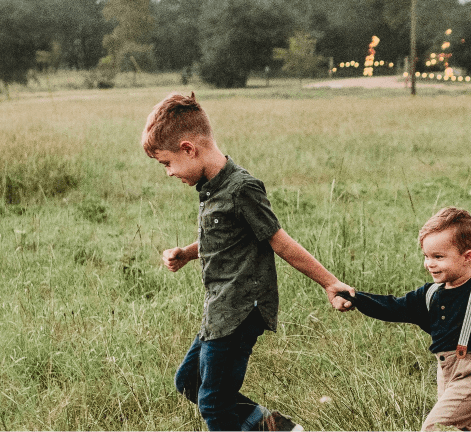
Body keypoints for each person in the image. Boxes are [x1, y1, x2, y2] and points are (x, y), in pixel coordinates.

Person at [144, 92, 354, 432]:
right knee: (188, 382)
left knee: (214, 402)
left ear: (188, 148)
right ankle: (280, 430)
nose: (168, 173)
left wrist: (330, 282)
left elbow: (280, 241)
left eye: (166, 163)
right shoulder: (212, 187)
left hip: (240, 310)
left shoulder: (242, 188)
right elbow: (225, 237)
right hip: (219, 309)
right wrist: (186, 252)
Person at [347, 207, 471, 432]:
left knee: (435, 427)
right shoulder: (430, 294)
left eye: (438, 257)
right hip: (446, 375)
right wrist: (354, 297)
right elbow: (392, 307)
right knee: (456, 429)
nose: (430, 264)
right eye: (426, 256)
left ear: (468, 257)